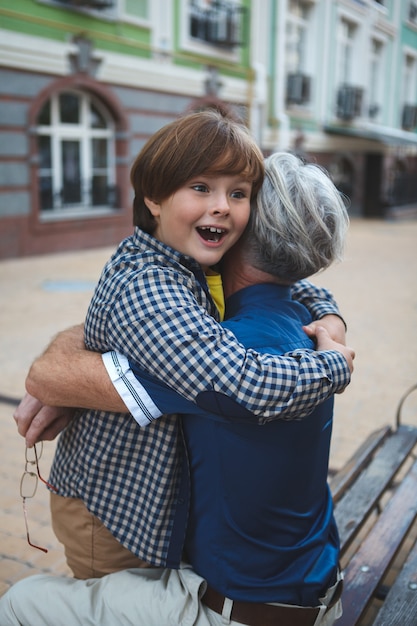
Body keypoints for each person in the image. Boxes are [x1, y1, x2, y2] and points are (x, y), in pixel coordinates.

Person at [1, 151, 352, 626]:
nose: (221, 209)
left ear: (244, 230)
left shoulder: (225, 356)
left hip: (243, 611)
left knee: (20, 603)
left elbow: (47, 376)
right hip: (313, 586)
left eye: (237, 197)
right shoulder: (305, 322)